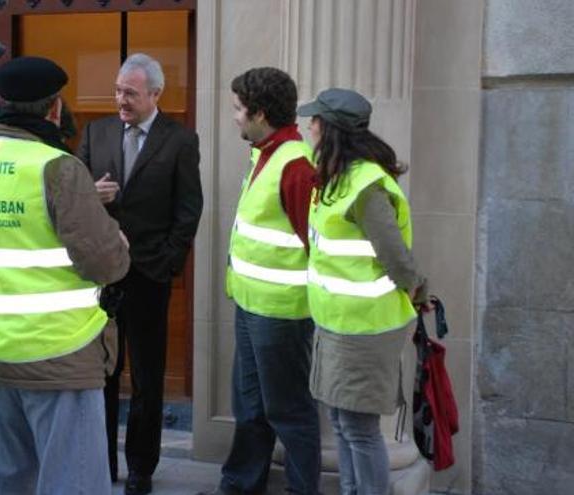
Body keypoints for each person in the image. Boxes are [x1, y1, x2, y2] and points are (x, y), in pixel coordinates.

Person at [0, 56, 129, 494]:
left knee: (11, 482)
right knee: (73, 482)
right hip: (63, 353)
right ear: (54, 109)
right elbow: (106, 263)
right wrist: (119, 243)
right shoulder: (57, 167)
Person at [77, 52, 203, 495]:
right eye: (116, 91)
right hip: (103, 275)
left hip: (150, 275)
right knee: (102, 374)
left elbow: (189, 211)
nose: (120, 100)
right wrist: (93, 196)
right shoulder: (97, 132)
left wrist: (167, 262)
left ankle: (141, 469)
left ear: (155, 94)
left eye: (129, 93)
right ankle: (102, 463)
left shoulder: (180, 140)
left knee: (148, 378)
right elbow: (74, 200)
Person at [298, 88, 427, 495]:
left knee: (358, 429)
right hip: (340, 323)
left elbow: (398, 260)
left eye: (315, 119)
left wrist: (418, 295)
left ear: (330, 128)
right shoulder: (338, 177)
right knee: (342, 424)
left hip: (365, 328)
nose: (309, 125)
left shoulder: (365, 185)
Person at [200, 68, 322, 495]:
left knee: (288, 410)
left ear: (260, 113)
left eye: (238, 109)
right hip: (252, 307)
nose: (233, 117)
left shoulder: (295, 165)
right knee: (249, 407)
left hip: (282, 313)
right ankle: (239, 485)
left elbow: (316, 244)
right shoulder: (265, 153)